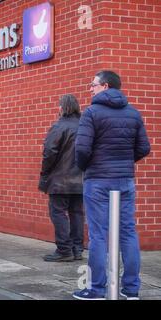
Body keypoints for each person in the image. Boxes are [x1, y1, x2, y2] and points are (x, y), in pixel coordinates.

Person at [73, 71, 151, 300]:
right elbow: (144, 147)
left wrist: (86, 167)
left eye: (93, 84)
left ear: (105, 86)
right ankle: (131, 289)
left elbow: (82, 149)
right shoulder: (133, 113)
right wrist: (124, 162)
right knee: (127, 232)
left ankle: (96, 289)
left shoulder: (92, 113)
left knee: (98, 235)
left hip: (97, 180)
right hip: (125, 180)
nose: (90, 88)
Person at [38, 94, 84, 262]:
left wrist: (44, 173)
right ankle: (77, 249)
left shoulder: (59, 126)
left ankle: (64, 249)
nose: (57, 108)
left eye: (59, 105)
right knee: (77, 213)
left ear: (63, 107)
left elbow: (49, 152)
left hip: (60, 180)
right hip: (81, 179)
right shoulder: (85, 126)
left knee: (58, 213)